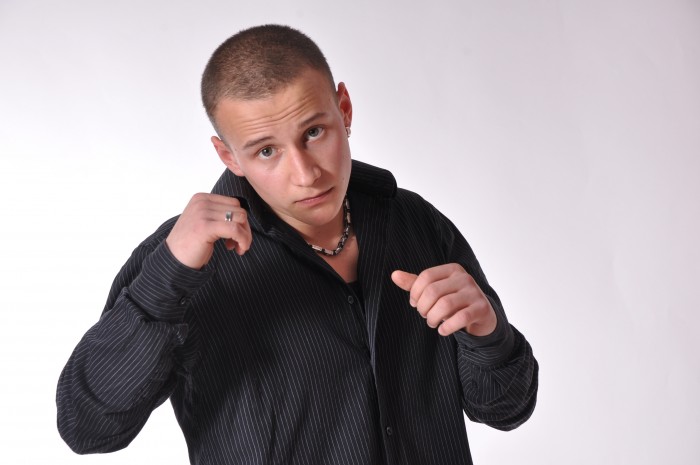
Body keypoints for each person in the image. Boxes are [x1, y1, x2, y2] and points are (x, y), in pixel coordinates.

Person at [56, 24, 538, 465]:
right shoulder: (181, 260)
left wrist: (487, 334)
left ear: (344, 110)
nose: (306, 174)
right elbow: (87, 428)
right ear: (229, 156)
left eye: (313, 132)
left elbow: (507, 407)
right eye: (267, 151)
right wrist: (168, 276)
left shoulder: (415, 223)